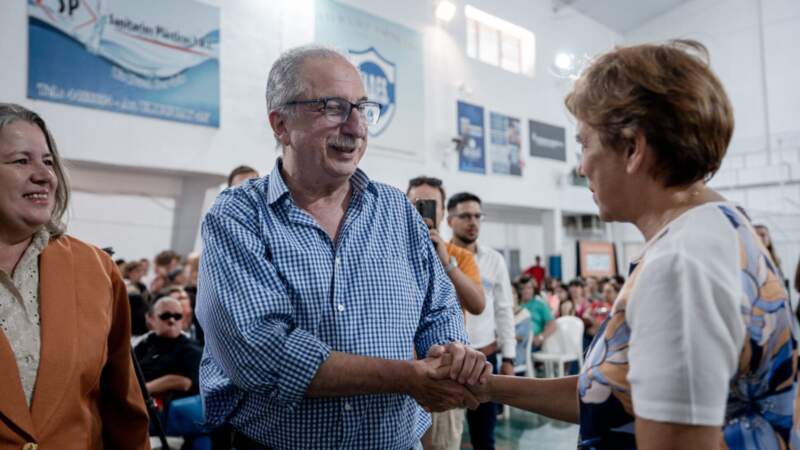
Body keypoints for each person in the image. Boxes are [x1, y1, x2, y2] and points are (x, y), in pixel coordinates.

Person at [465, 40, 799, 449]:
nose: (581, 164)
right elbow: (617, 398)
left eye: (585, 143)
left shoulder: (681, 266)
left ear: (633, 149)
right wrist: (487, 386)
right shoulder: (718, 230)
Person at [196, 45, 490, 450]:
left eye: (362, 108)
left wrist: (448, 352)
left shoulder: (396, 211)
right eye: (333, 107)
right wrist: (407, 376)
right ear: (281, 124)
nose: (356, 127)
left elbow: (438, 306)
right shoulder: (238, 217)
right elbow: (258, 352)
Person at [0, 103, 150, 448]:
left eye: (48, 162)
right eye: (22, 161)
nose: (44, 175)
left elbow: (122, 407)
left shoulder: (96, 269)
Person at [407, 177, 486, 450]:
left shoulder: (458, 255)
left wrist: (446, 262)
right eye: (416, 203)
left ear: (442, 213)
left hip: (445, 368)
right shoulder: (396, 251)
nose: (423, 210)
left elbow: (477, 304)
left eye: (430, 205)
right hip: (402, 373)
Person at [447, 192, 515, 450]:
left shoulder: (494, 260)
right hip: (449, 360)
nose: (473, 222)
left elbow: (504, 310)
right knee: (445, 438)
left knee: (484, 438)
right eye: (465, 216)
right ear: (450, 220)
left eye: (477, 216)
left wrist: (509, 358)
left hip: (486, 359)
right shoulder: (440, 255)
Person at [134, 297, 202, 401]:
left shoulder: (190, 348)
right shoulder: (144, 344)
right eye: (165, 316)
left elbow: (185, 382)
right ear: (151, 318)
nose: (171, 320)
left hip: (166, 409)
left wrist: (142, 389)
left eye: (177, 316)